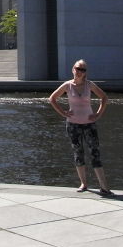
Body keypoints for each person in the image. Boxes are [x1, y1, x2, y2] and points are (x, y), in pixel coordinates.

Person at [49, 59, 112, 195]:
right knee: (78, 153)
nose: (80, 72)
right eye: (78, 68)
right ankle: (84, 183)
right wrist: (63, 112)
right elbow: (52, 99)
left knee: (95, 153)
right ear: (73, 69)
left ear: (85, 73)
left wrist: (98, 114)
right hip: (73, 125)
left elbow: (104, 97)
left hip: (89, 124)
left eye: (83, 70)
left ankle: (104, 186)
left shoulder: (89, 85)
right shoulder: (67, 86)